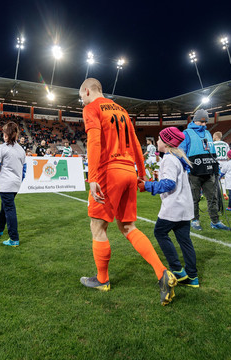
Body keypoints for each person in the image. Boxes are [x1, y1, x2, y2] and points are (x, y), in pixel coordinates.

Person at [78, 77, 177, 306]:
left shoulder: (92, 108)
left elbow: (93, 141)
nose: (81, 100)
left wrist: (92, 177)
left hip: (108, 172)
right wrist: (141, 173)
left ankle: (102, 280)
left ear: (87, 91)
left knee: (97, 225)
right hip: (128, 171)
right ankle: (163, 273)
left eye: (81, 96)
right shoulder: (121, 110)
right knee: (128, 226)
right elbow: (134, 142)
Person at [138, 127, 200, 288]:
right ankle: (193, 277)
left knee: (160, 232)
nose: (157, 141)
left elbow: (169, 183)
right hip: (184, 206)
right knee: (185, 241)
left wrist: (148, 185)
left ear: (166, 142)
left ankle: (177, 270)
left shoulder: (169, 159)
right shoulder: (177, 157)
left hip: (174, 206)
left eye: (159, 139)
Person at [179, 109, 229, 231]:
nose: (204, 124)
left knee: (213, 197)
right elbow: (181, 152)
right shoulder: (186, 133)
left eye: (205, 122)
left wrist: (215, 167)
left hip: (209, 171)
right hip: (194, 172)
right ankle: (195, 220)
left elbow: (212, 151)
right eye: (201, 122)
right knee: (194, 198)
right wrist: (187, 168)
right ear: (195, 120)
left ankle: (215, 221)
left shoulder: (207, 133)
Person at [212, 131, 230, 201]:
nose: (213, 138)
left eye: (213, 136)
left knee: (216, 177)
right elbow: (228, 155)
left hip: (217, 162)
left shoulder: (213, 144)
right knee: (223, 177)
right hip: (224, 162)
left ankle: (218, 192)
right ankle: (224, 192)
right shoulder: (225, 144)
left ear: (216, 136)